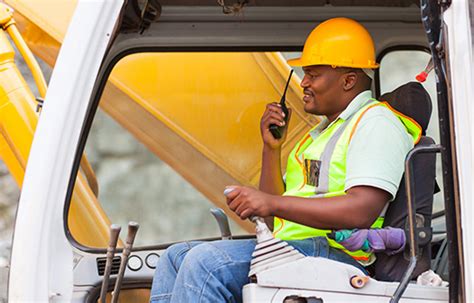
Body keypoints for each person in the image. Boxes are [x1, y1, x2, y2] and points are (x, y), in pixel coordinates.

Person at [149, 17, 421, 303]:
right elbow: (272, 217)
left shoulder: (376, 123)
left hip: (338, 256)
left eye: (313, 74)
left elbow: (361, 210)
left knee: (205, 263)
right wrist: (271, 149)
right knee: (174, 257)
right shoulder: (320, 134)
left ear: (348, 80)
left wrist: (270, 202)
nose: (304, 82)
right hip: (299, 248)